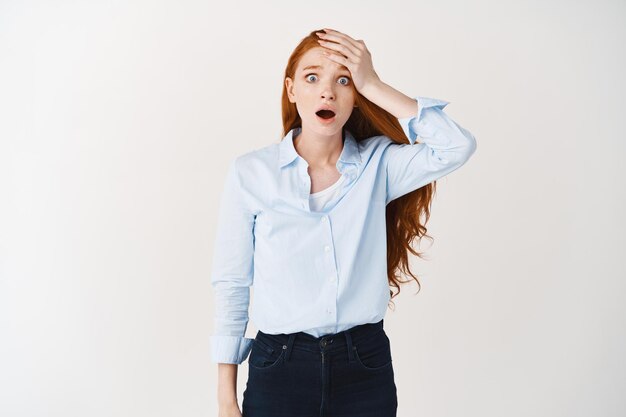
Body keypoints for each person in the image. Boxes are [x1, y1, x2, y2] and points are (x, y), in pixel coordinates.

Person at [211, 27, 477, 417]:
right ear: (291, 89)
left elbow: (457, 146)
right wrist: (226, 399)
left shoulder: (380, 164)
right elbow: (231, 283)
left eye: (344, 80)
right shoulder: (251, 173)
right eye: (312, 77)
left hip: (363, 365)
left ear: (356, 97)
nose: (327, 92)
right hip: (279, 367)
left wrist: (374, 82)